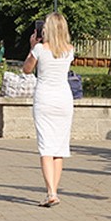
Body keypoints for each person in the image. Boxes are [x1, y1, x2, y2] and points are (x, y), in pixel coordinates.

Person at [23, 13, 75, 207]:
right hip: (63, 99)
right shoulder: (69, 50)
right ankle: (54, 189)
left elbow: (27, 69)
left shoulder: (39, 49)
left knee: (46, 147)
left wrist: (31, 47)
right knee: (59, 148)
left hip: (44, 99)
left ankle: (51, 192)